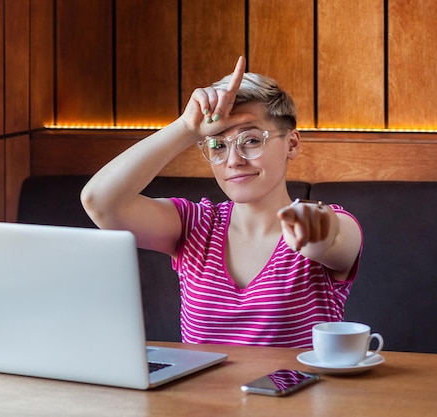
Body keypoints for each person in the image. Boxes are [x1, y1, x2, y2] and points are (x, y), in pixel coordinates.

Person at [80, 56, 363, 348]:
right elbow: (100, 202)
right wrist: (186, 128)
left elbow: (332, 239)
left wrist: (317, 235)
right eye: (218, 144)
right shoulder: (195, 225)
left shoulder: (330, 221)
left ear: (291, 144)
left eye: (251, 140)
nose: (233, 161)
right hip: (199, 394)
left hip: (297, 394)